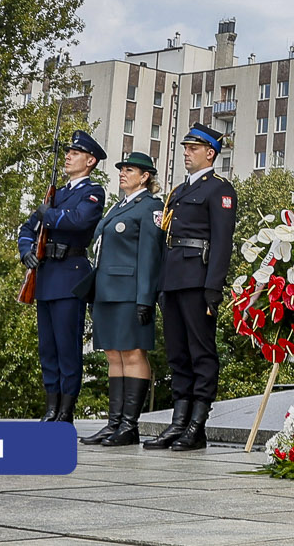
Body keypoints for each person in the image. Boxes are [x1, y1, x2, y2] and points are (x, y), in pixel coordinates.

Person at [143, 123, 237, 451]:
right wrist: (160, 285)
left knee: (201, 352)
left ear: (210, 153)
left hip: (198, 278)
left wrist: (214, 286)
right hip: (173, 278)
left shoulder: (219, 189)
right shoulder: (180, 191)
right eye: (185, 147)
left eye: (193, 148)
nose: (186, 152)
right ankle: (178, 422)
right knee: (177, 353)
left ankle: (197, 425)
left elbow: (222, 242)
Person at [17, 129, 106, 422]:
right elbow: (27, 229)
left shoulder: (92, 192)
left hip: (70, 276)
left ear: (90, 160)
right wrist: (27, 251)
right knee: (48, 348)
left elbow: (79, 222)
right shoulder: (57, 194)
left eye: (75, 153)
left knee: (68, 347)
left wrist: (49, 214)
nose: (68, 156)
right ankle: (51, 406)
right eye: (68, 152)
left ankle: (66, 410)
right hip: (46, 276)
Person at [81, 150, 165, 447]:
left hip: (130, 291)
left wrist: (145, 297)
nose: (123, 173)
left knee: (132, 354)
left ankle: (129, 426)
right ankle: (113, 423)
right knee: (113, 354)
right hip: (106, 290)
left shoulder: (150, 207)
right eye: (122, 169)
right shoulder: (120, 206)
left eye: (129, 170)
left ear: (145, 177)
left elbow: (150, 255)